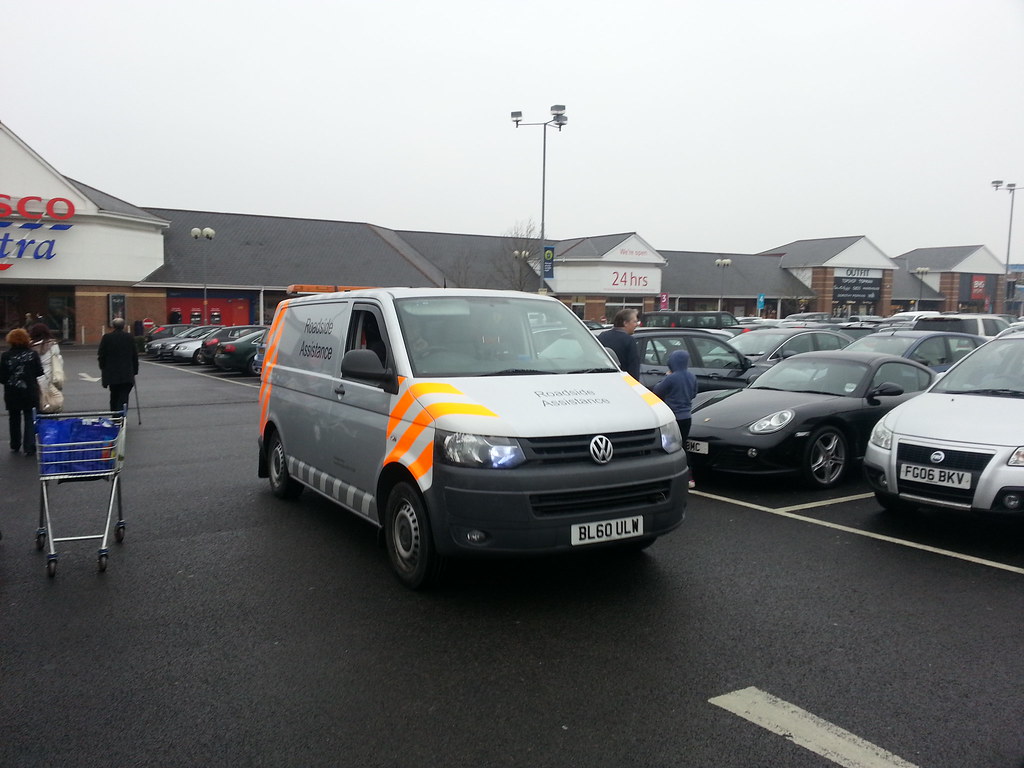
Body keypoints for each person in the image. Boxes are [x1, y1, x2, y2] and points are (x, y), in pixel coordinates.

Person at [652, 349, 698, 489]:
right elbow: (694, 394)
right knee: (684, 445)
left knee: (670, 446)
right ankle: (689, 476)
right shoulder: (692, 376)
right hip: (687, 417)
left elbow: (657, 391)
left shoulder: (672, 377)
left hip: (673, 417)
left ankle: (669, 475)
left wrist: (665, 378)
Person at [1, 328, 44, 455]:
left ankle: (15, 444)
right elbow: (39, 372)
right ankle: (29, 446)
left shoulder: (6, 356)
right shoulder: (32, 354)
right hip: (29, 391)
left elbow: (2, 377)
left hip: (12, 391)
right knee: (29, 417)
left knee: (13, 418)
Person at [98, 317, 139, 412]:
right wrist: (135, 370)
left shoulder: (107, 338)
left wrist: (103, 368)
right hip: (127, 373)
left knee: (114, 395)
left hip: (112, 373)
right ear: (123, 326)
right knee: (124, 396)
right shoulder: (129, 337)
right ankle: (122, 416)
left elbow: (101, 355)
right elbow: (134, 355)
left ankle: (114, 415)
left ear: (113, 326)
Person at [597, 308, 641, 379]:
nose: (636, 325)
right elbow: (634, 368)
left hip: (602, 379)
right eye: (635, 322)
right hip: (622, 381)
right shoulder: (629, 340)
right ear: (625, 323)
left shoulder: (602, 336)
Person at [29, 323, 61, 390]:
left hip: (33, 378)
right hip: (49, 377)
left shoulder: (30, 346)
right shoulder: (53, 345)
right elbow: (58, 360)